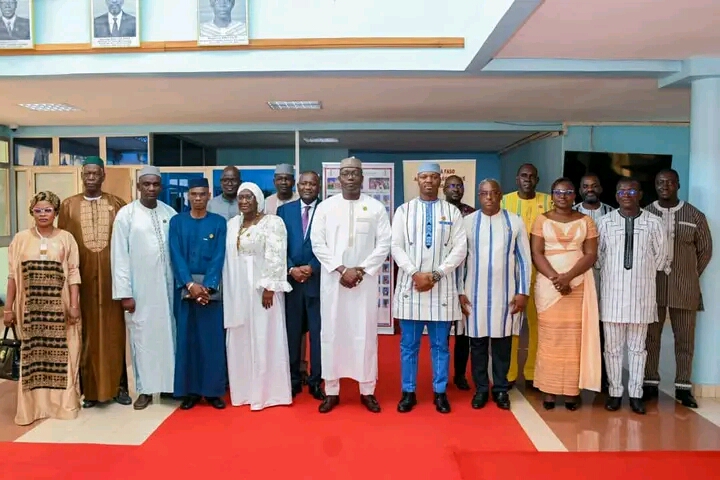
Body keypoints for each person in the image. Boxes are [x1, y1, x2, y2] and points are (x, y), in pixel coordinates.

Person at [310, 157, 392, 413]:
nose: (351, 177)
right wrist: (342, 270)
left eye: (355, 173)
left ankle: (367, 390)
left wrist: (361, 270)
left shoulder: (376, 208)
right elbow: (317, 243)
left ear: (362, 177)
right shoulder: (325, 207)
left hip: (364, 283)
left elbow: (384, 243)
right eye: (346, 173)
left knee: (364, 333)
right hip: (334, 281)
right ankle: (331, 390)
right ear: (338, 178)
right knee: (332, 332)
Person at [392, 162, 467, 414]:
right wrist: (415, 274)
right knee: (409, 346)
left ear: (439, 181)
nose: (428, 181)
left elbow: (460, 249)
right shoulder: (404, 211)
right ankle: (408, 392)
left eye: (433, 177)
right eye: (424, 177)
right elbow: (396, 246)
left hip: (441, 288)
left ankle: (439, 392)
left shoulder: (452, 212)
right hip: (411, 287)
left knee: (440, 346)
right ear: (417, 179)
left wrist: (435, 275)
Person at [57, 156, 131, 409]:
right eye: (87, 174)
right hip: (82, 282)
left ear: (103, 176)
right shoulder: (68, 206)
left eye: (95, 174)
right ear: (81, 175)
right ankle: (89, 391)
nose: (91, 178)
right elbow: (64, 247)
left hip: (113, 282)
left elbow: (126, 244)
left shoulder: (117, 204)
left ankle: (119, 387)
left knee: (115, 333)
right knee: (85, 334)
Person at [3, 191, 82, 426]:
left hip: (60, 309)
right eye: (38, 210)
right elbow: (12, 277)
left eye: (48, 210)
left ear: (55, 212)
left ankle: (61, 406)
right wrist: (8, 309)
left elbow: (74, 274)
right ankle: (32, 409)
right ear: (32, 212)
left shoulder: (66, 238)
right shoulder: (20, 239)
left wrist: (74, 305)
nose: (43, 214)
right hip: (29, 310)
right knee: (32, 357)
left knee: (63, 356)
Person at [458, 179, 530, 411]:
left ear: (500, 195)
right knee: (477, 344)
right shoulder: (468, 222)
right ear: (479, 196)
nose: (489, 197)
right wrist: (459, 291)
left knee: (502, 344)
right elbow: (460, 260)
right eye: (484, 193)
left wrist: (522, 291)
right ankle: (481, 389)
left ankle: (500, 389)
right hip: (474, 294)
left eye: (493, 193)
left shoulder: (514, 221)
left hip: (505, 294)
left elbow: (524, 260)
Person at [597, 177, 667, 415]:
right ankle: (615, 392)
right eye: (621, 191)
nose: (626, 195)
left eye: (632, 191)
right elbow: (598, 258)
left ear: (641, 195)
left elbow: (661, 258)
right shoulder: (605, 222)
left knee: (638, 349)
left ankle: (636, 394)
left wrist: (639, 271)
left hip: (641, 295)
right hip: (612, 297)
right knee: (612, 349)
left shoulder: (654, 223)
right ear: (616, 196)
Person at [643, 169, 713, 408]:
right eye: (660, 182)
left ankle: (683, 387)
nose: (665, 186)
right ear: (655, 185)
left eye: (670, 182)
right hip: (652, 287)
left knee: (685, 339)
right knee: (650, 337)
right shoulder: (646, 214)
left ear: (678, 185)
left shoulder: (694, 215)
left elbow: (705, 251)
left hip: (685, 288)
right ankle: (649, 383)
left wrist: (688, 274)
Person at [531, 178, 601, 411]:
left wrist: (568, 277)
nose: (563, 196)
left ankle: (572, 392)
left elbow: (590, 254)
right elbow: (537, 253)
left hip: (578, 283)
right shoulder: (541, 220)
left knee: (574, 339)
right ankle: (549, 391)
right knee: (550, 337)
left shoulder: (586, 221)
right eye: (558, 192)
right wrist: (556, 279)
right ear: (552, 195)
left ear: (575, 195)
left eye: (568, 192)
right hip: (548, 286)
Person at [111, 166, 177, 410]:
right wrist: (125, 293)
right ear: (138, 186)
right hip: (140, 291)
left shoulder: (169, 213)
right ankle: (145, 390)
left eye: (155, 184)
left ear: (161, 186)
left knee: (169, 338)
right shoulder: (126, 215)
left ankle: (169, 386)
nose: (151, 188)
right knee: (142, 339)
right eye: (146, 184)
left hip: (168, 290)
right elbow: (119, 256)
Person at [224, 182, 293, 409]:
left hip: (262, 289)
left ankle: (267, 393)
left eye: (249, 197)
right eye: (241, 197)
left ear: (258, 200)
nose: (244, 201)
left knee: (264, 336)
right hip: (238, 289)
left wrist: (269, 287)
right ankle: (244, 391)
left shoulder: (272, 222)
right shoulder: (232, 224)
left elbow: (277, 255)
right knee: (241, 337)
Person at [169, 178, 228, 410]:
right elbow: (175, 255)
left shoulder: (218, 223)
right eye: (194, 194)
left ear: (209, 195)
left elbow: (219, 256)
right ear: (188, 196)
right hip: (186, 290)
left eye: (202, 194)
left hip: (211, 291)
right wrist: (190, 285)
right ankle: (190, 391)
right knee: (188, 341)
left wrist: (208, 287)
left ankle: (213, 392)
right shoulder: (177, 222)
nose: (198, 198)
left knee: (211, 341)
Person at [501, 163, 552, 388]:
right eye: (523, 176)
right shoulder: (504, 202)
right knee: (511, 325)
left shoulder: (548, 202)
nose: (527, 180)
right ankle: (509, 374)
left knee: (537, 325)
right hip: (512, 275)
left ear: (537, 180)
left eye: (532, 176)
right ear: (517, 179)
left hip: (540, 275)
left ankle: (533, 373)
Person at [277, 171, 325, 401]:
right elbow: (278, 245)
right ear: (298, 186)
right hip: (292, 283)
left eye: (312, 184)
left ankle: (316, 381)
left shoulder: (327, 209)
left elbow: (331, 244)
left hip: (318, 282)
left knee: (318, 335)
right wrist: (290, 268)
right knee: (292, 334)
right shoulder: (284, 211)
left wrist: (313, 267)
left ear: (319, 186)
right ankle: (293, 380)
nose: (307, 187)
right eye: (304, 183)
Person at [572, 173, 613, 391]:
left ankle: (602, 377)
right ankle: (577, 376)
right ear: (580, 190)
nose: (590, 189)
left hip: (607, 280)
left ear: (600, 188)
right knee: (579, 328)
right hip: (578, 277)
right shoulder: (572, 213)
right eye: (585, 186)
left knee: (603, 329)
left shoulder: (612, 214)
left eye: (594, 186)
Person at [443, 174, 475, 391]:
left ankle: (460, 375)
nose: (456, 189)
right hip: (443, 277)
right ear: (444, 189)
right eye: (451, 186)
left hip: (466, 277)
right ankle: (442, 374)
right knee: (443, 334)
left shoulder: (471, 213)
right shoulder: (439, 211)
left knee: (463, 334)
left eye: (459, 186)